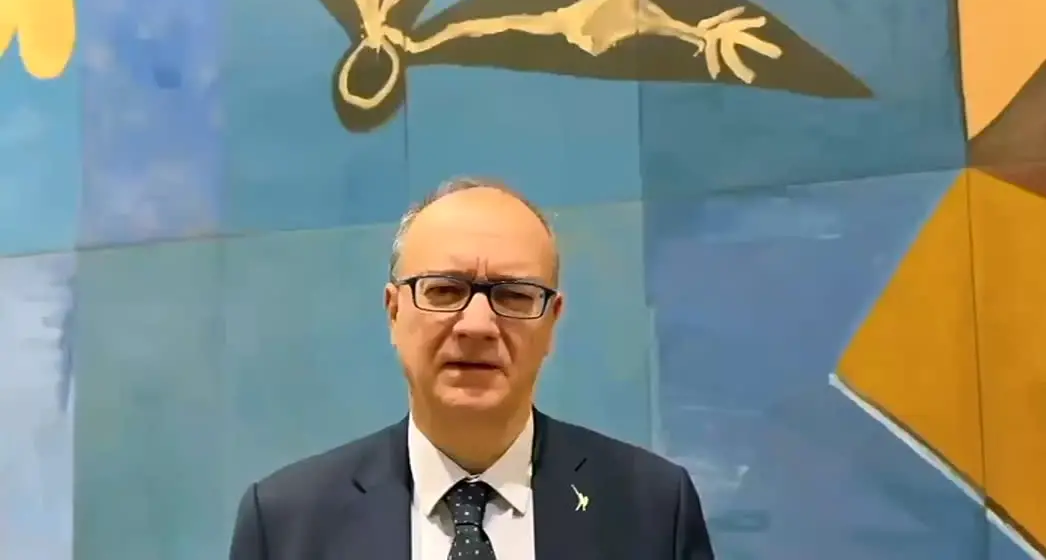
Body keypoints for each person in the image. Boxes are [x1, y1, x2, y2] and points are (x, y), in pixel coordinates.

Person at [228, 177, 716, 560]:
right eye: (444, 290)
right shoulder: (287, 524)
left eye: (514, 295)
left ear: (551, 321)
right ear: (394, 312)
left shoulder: (652, 508)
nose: (478, 325)